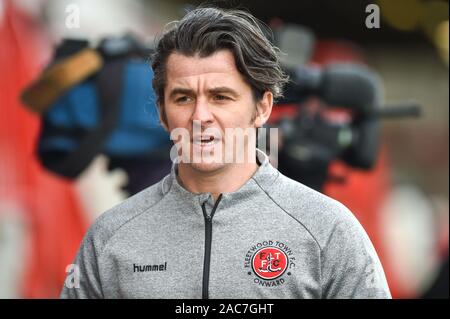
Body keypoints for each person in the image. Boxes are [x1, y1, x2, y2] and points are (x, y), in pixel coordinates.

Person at [60, 6, 391, 299]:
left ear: (262, 108)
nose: (200, 116)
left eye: (221, 97)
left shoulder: (329, 231)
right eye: (183, 98)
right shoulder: (109, 238)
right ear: (162, 113)